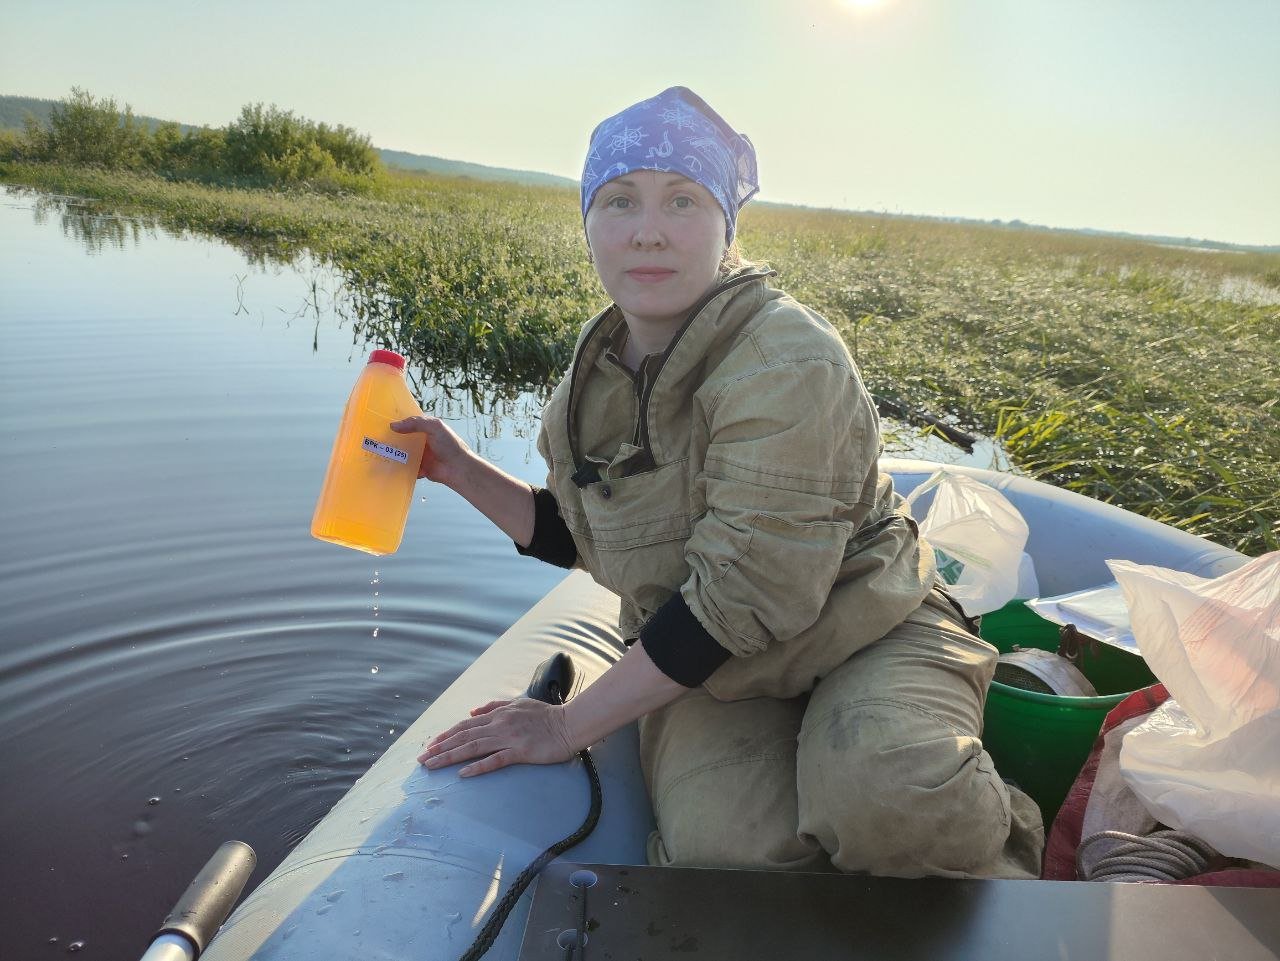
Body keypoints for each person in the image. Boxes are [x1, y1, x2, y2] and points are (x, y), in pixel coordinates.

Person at [392, 86, 1044, 879]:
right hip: (721, 671)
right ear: (589, 226)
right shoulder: (593, 376)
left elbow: (738, 597)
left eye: (683, 200)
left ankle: (1008, 831)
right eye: (620, 200)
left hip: (867, 620)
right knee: (724, 859)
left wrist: (565, 727)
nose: (649, 230)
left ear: (726, 228)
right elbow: (587, 531)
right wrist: (457, 468)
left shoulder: (785, 359)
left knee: (890, 798)